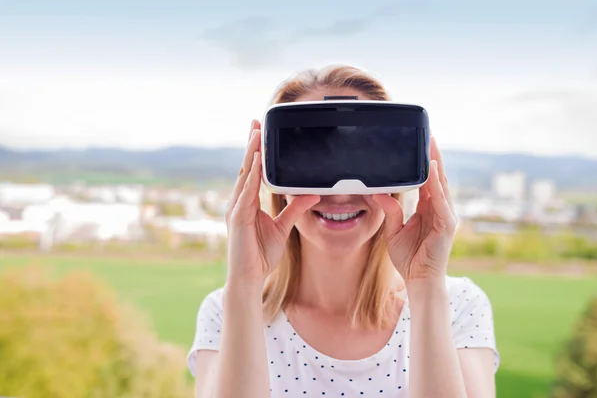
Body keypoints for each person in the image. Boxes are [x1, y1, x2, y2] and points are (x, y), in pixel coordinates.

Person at [187, 64, 500, 398]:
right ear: (273, 178)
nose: (339, 193)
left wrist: (425, 285)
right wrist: (244, 284)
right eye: (314, 163)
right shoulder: (226, 310)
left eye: (364, 159)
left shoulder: (459, 306)